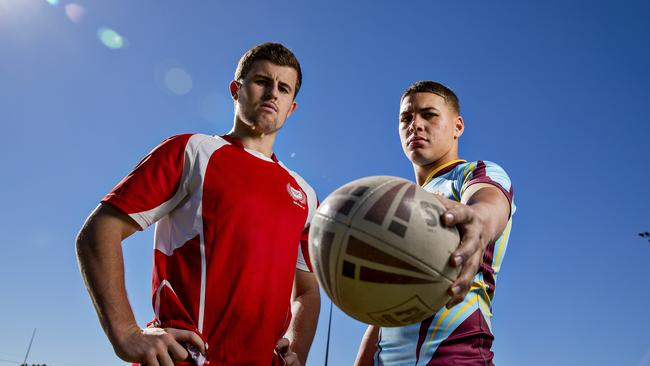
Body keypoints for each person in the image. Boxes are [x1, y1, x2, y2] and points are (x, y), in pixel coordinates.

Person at [76, 42, 320, 366]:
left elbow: (307, 290)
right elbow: (99, 230)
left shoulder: (305, 194)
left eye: (284, 88)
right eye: (262, 81)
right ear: (236, 90)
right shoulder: (193, 151)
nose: (273, 93)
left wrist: (298, 353)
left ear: (291, 107)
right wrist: (125, 332)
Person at [355, 81, 515, 365]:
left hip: (455, 358)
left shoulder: (474, 173)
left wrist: (480, 220)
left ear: (458, 126)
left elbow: (489, 205)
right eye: (406, 117)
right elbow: (383, 312)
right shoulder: (401, 201)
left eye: (429, 114)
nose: (415, 124)